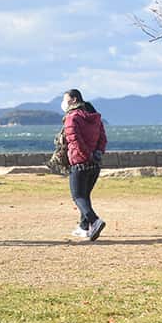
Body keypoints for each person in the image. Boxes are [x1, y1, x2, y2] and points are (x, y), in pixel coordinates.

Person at [62, 88, 108, 241]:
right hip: (94, 164)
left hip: (79, 163)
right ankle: (83, 227)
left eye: (66, 99)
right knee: (85, 196)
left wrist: (85, 155)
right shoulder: (95, 118)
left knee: (78, 196)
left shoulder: (72, 118)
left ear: (74, 100)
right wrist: (97, 153)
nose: (64, 103)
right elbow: (103, 138)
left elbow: (74, 141)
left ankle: (94, 221)